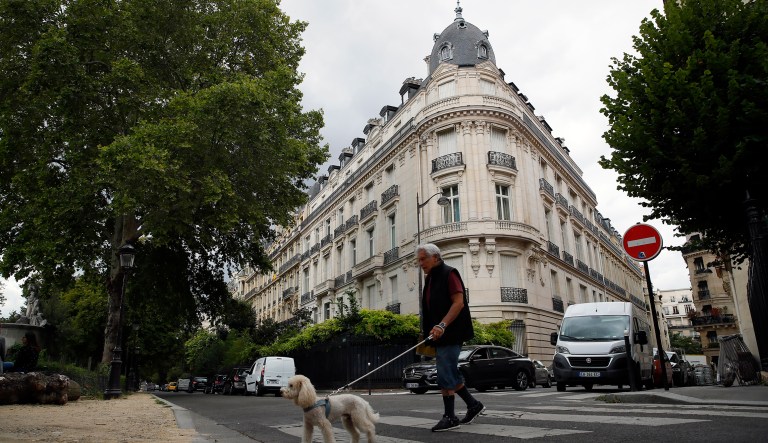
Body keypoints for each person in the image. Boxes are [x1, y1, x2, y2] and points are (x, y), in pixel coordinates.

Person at [417, 243, 484, 432]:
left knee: (446, 372)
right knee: (446, 372)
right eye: (419, 260)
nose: (420, 263)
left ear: (435, 257)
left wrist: (442, 325)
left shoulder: (449, 273)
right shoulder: (430, 278)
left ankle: (452, 416)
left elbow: (458, 303)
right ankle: (471, 406)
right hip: (438, 334)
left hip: (451, 332)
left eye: (423, 259)